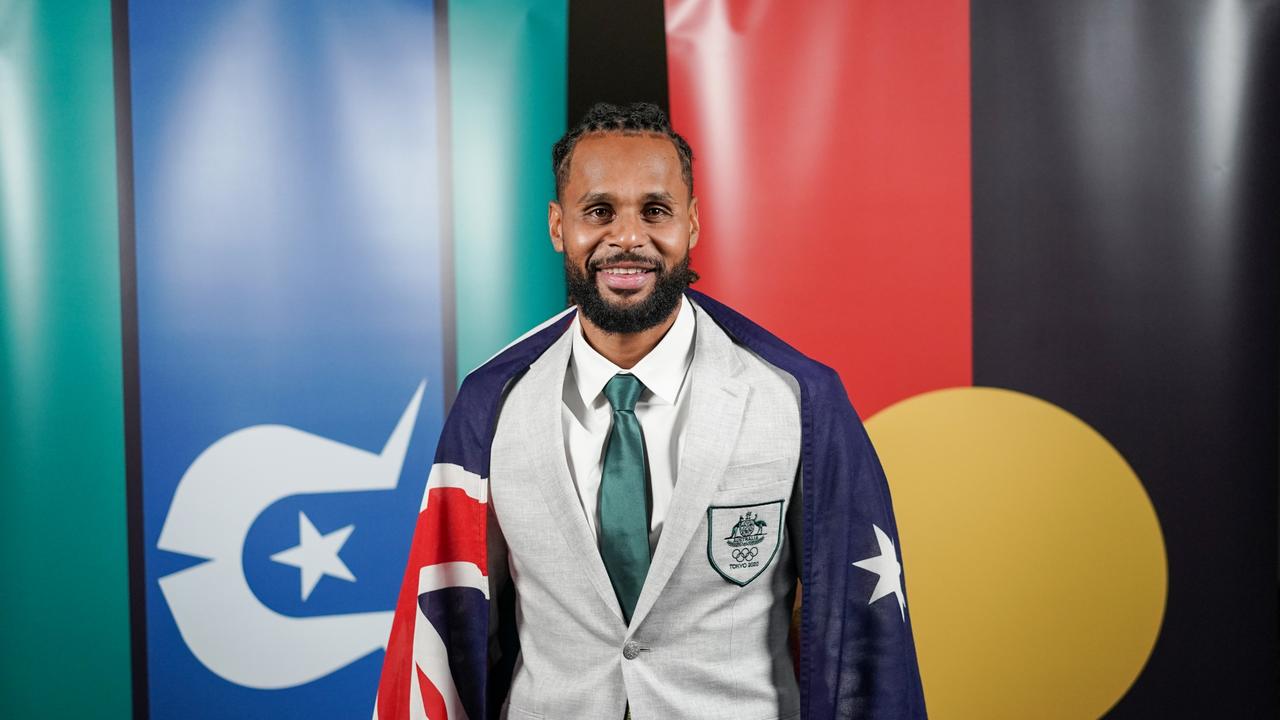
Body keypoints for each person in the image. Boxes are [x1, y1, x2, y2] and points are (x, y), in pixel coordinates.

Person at [377, 103, 926, 720]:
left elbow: (855, 629)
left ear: (691, 224)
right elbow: (455, 618)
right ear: (559, 226)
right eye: (600, 211)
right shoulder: (491, 407)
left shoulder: (798, 399)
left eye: (656, 211)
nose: (628, 237)